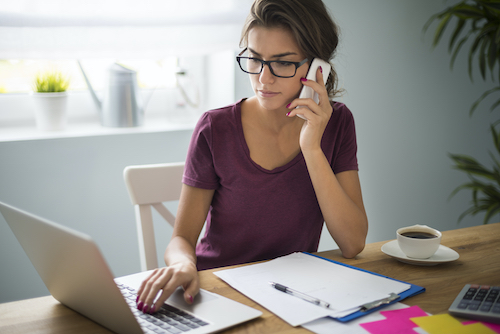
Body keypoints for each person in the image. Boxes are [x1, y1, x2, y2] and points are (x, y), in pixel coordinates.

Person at [135, 0, 368, 315]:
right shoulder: (214, 128)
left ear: (318, 68)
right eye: (254, 59)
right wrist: (184, 264)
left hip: (293, 296)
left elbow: (352, 244)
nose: (263, 78)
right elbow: (181, 239)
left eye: (282, 63)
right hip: (217, 291)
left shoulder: (336, 123)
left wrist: (312, 147)